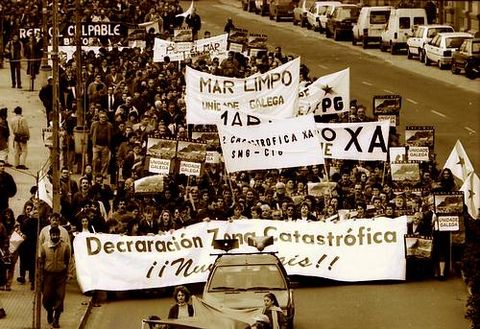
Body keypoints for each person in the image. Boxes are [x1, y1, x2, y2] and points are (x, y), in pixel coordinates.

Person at [39, 226, 71, 328]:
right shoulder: (44, 247)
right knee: (47, 297)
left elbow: (68, 260)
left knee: (60, 297)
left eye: (57, 234)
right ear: (50, 235)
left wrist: (69, 273)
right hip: (48, 275)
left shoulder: (65, 246)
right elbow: (41, 262)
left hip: (61, 275)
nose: (55, 236)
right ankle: (49, 311)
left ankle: (56, 319)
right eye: (53, 235)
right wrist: (40, 275)